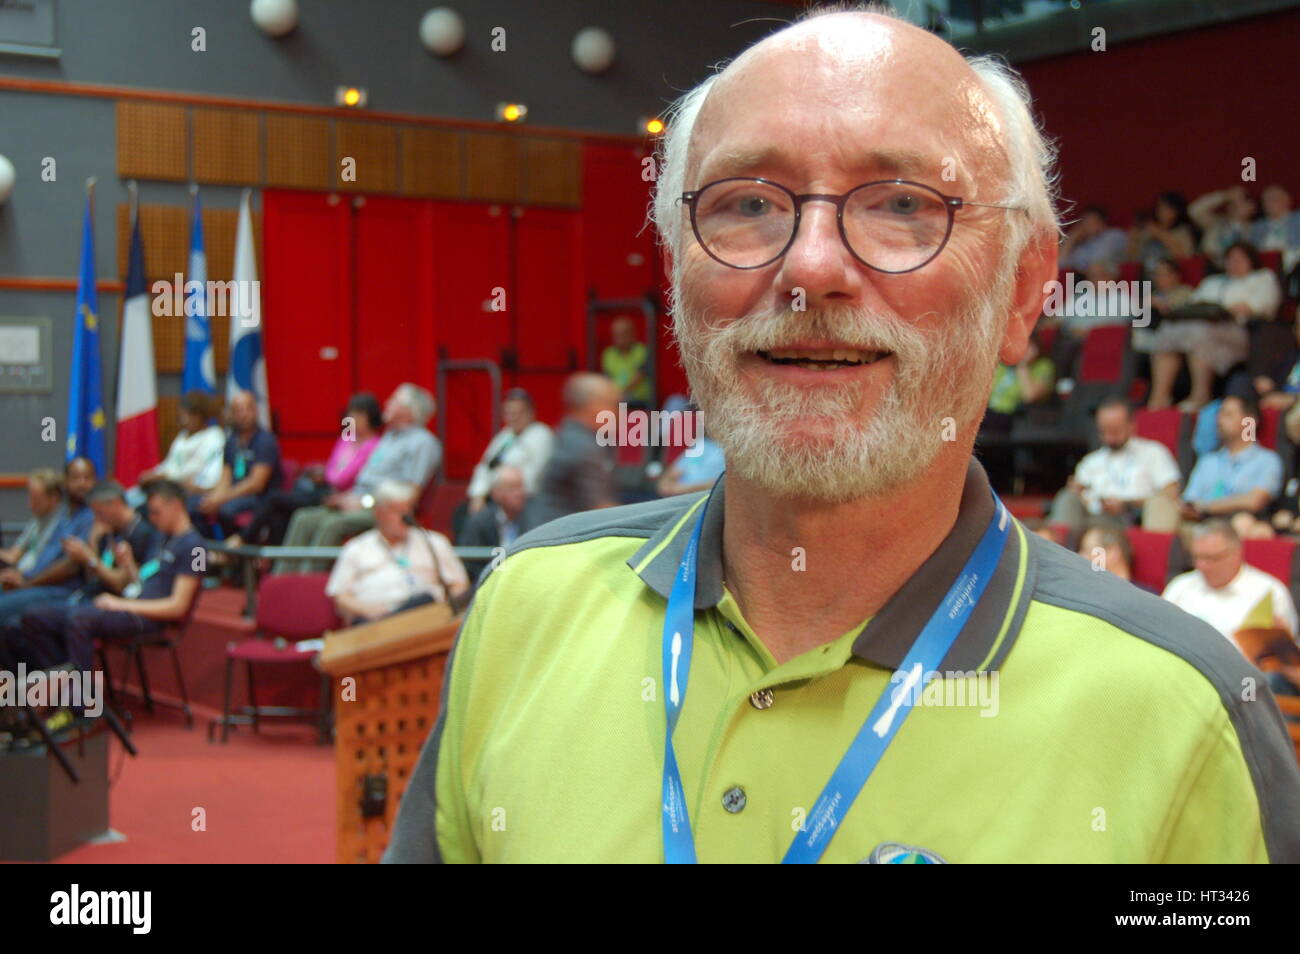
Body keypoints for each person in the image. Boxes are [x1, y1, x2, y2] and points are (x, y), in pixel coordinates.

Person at [384, 10, 1300, 863]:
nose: (809, 267)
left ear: (1023, 292)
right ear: (676, 274)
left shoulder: (1186, 714)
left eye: (902, 205)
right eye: (747, 203)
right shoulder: (520, 611)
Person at [21, 479, 204, 673]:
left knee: (80, 619)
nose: (152, 518)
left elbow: (178, 607)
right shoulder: (160, 537)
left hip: (150, 617)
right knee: (36, 617)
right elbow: (141, 582)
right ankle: (61, 689)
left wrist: (120, 604)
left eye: (157, 512)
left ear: (175, 505)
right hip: (133, 603)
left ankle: (80, 700)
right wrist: (129, 564)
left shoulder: (196, 548)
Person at [277, 383, 442, 574]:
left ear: (409, 411)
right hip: (354, 499)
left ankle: (305, 587)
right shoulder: (388, 437)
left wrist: (364, 502)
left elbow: (409, 495)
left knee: (331, 525)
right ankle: (281, 581)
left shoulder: (422, 443)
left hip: (380, 508)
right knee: (303, 518)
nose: (387, 403)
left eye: (394, 400)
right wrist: (346, 498)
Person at [3, 480, 157, 670]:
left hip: (107, 604)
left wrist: (90, 558)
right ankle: (50, 686)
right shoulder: (109, 532)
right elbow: (92, 576)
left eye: (99, 512)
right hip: (86, 596)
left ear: (115, 503)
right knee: (13, 627)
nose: (97, 519)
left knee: (34, 617)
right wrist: (92, 541)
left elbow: (121, 585)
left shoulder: (140, 533)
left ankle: (71, 689)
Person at [228, 392, 382, 547]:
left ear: (369, 417)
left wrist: (331, 475)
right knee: (279, 516)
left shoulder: (373, 445)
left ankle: (245, 539)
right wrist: (329, 475)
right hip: (325, 492)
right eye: (350, 412)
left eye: (357, 413)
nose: (351, 417)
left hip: (339, 498)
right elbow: (332, 470)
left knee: (274, 499)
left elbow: (341, 478)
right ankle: (280, 568)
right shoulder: (347, 438)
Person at [1145, 242, 1283, 411]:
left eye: (1240, 259)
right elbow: (1192, 306)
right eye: (1230, 259)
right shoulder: (1212, 282)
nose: (1234, 263)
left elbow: (1263, 307)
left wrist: (1226, 309)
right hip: (1204, 325)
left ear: (1251, 261)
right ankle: (1159, 397)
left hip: (1241, 331)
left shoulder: (1262, 278)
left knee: (1199, 332)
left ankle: (1200, 395)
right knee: (1167, 329)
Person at [325, 480, 468, 625]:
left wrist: (441, 612)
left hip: (424, 620)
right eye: (397, 510)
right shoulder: (356, 547)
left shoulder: (433, 542)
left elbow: (459, 585)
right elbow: (340, 596)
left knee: (425, 599)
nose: (405, 517)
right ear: (379, 513)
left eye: (408, 510)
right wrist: (368, 610)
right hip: (374, 623)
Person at [1146, 394, 1282, 537]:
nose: (1219, 420)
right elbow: (1190, 501)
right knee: (1159, 505)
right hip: (1200, 527)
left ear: (1249, 422)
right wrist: (1189, 509)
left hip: (1235, 527)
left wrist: (1206, 507)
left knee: (1244, 523)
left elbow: (1255, 501)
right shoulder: (1208, 460)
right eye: (1220, 414)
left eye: (1228, 414)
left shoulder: (1267, 460)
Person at [1047, 396, 1180, 536]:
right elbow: (1079, 496)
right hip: (1095, 520)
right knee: (1067, 498)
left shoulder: (1153, 452)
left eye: (1115, 431)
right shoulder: (1091, 461)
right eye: (1104, 431)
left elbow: (1170, 493)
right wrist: (1077, 492)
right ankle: (1061, 551)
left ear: (1131, 425)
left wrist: (1128, 504)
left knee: (1159, 505)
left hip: (1135, 519)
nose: (1109, 438)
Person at [1162, 521, 1299, 642]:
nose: (1201, 566)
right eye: (1196, 558)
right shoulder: (1181, 585)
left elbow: (1286, 656)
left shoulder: (1269, 591)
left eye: (1211, 558)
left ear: (1236, 554)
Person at [0, 458, 97, 627]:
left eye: (87, 478)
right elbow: (44, 558)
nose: (82, 484)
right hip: (36, 583)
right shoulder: (64, 516)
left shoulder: (92, 517)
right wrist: (22, 577)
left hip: (62, 590)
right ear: (66, 482)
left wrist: (26, 584)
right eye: (75, 478)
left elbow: (70, 567)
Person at [531, 373, 621, 525]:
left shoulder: (569, 433)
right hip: (560, 540)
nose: (618, 413)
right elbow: (603, 511)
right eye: (613, 404)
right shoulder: (583, 447)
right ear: (594, 407)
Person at [193, 390, 283, 538]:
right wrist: (214, 497)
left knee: (226, 510)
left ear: (255, 411)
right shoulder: (231, 441)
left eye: (248, 409)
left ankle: (236, 554)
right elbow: (226, 475)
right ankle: (209, 553)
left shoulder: (265, 440)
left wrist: (223, 498)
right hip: (234, 494)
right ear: (232, 414)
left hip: (260, 497)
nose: (244, 414)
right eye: (239, 410)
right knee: (196, 506)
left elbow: (256, 484)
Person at [464, 389, 554, 516]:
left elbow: (532, 477)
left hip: (525, 502)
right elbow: (485, 466)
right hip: (496, 497)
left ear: (531, 413)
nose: (514, 417)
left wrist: (502, 493)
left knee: (482, 520)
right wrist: (478, 495)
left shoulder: (542, 435)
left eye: (519, 413)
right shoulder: (505, 435)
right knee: (463, 512)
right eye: (510, 413)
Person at [130, 390, 224, 506]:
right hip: (167, 485)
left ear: (199, 416)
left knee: (137, 504)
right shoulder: (183, 436)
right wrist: (154, 473)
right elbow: (170, 463)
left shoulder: (213, 437)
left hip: (188, 489)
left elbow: (196, 469)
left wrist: (164, 476)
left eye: (186, 416)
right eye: (181, 415)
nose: (182, 420)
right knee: (129, 496)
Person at [0, 469, 64, 576]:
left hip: (37, 579)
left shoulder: (62, 525)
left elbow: (45, 566)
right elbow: (13, 556)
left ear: (54, 498)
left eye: (37, 500)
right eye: (31, 498)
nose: (30, 505)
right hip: (21, 574)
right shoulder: (36, 521)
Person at [459, 466, 541, 550]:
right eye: (512, 489)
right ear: (496, 493)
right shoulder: (480, 522)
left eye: (521, 487)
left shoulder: (537, 519)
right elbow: (470, 558)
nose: (519, 493)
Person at [1128, 191, 1196, 275]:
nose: (1161, 212)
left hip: (1169, 277)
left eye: (1166, 208)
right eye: (1159, 208)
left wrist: (1160, 234)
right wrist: (1133, 239)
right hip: (1147, 277)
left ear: (1176, 211)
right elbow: (1132, 258)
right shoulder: (1149, 231)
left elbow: (1185, 257)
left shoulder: (1182, 231)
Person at [1189, 186, 1257, 266]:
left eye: (1243, 201)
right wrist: (1224, 196)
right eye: (1233, 203)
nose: (1237, 205)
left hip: (1241, 267)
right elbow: (1194, 210)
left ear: (1252, 207)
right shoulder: (1216, 222)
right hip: (1212, 265)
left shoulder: (1257, 228)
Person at [601, 315, 652, 407]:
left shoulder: (641, 351)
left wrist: (619, 394)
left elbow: (638, 378)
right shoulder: (608, 354)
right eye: (617, 335)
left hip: (639, 400)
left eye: (624, 334)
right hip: (615, 398)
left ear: (633, 334)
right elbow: (607, 380)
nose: (620, 339)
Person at [1059, 204, 1127, 272]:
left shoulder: (1114, 234)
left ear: (1102, 222)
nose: (1086, 225)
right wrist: (1071, 238)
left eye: (1090, 220)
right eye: (1084, 221)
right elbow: (1062, 265)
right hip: (1087, 280)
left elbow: (1098, 260)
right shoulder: (1083, 246)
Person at [657, 434, 726, 497]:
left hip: (703, 497)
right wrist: (666, 484)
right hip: (678, 495)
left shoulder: (728, 450)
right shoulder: (701, 443)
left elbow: (721, 484)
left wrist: (683, 490)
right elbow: (674, 471)